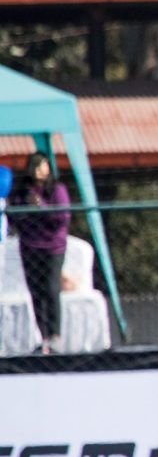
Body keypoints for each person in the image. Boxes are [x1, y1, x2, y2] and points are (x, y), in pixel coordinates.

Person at [11, 152, 70, 354]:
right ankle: (43, 338)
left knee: (51, 289)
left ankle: (56, 336)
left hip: (53, 248)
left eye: (42, 166)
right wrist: (26, 209)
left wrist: (42, 207)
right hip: (30, 248)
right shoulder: (22, 192)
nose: (38, 170)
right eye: (34, 166)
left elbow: (62, 218)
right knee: (36, 292)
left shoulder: (57, 190)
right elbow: (15, 218)